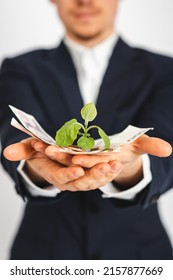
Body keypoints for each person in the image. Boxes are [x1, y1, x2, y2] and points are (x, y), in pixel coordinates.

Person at [0, 0, 173, 260]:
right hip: (43, 258)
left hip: (139, 257)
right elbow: (15, 138)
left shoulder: (164, 69)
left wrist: (130, 169)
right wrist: (37, 170)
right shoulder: (19, 68)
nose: (85, 1)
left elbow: (164, 147)